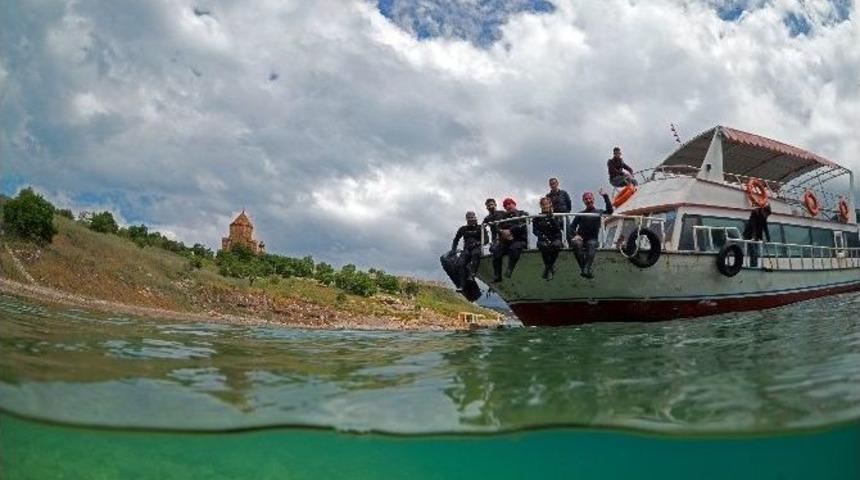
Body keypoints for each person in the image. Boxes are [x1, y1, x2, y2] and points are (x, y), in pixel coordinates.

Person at [569, 189, 613, 279]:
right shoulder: (580, 214)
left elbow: (610, 211)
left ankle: (585, 269)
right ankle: (585, 270)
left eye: (590, 198)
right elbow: (572, 227)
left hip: (592, 239)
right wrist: (575, 235)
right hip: (581, 238)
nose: (588, 200)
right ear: (583, 201)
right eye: (586, 199)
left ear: (593, 199)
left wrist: (605, 196)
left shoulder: (599, 212)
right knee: (576, 243)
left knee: (591, 244)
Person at [492, 198, 528, 282]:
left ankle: (509, 269)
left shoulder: (522, 213)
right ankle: (497, 275)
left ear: (514, 204)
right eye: (506, 205)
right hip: (507, 241)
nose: (508, 206)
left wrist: (510, 231)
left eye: (509, 204)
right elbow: (497, 227)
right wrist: (502, 232)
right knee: (496, 251)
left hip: (520, 240)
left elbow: (523, 225)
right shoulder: (503, 217)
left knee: (514, 248)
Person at [450, 211, 485, 289]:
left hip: (476, 248)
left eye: (472, 217)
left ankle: (472, 275)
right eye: (468, 218)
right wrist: (453, 250)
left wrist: (478, 243)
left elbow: (486, 240)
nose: (470, 219)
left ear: (475, 218)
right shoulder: (463, 229)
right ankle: (462, 285)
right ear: (466, 219)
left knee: (475, 254)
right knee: (460, 264)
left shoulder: (480, 227)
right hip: (466, 249)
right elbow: (456, 240)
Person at [532, 197, 564, 280]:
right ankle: (550, 267)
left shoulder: (556, 216)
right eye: (543, 204)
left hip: (555, 238)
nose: (545, 206)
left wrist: (552, 218)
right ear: (540, 206)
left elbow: (558, 229)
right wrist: (541, 235)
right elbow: (534, 230)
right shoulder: (537, 218)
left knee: (556, 245)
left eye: (547, 204)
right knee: (543, 246)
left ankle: (547, 268)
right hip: (543, 239)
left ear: (550, 205)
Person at [743, 203, 772, 268]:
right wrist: (754, 237)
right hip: (749, 235)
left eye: (767, 215)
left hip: (757, 236)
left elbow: (765, 228)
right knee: (753, 251)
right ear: (763, 210)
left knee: (756, 252)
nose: (766, 216)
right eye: (766, 214)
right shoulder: (755, 213)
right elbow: (753, 225)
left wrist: (768, 239)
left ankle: (755, 266)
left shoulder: (764, 217)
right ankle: (753, 267)